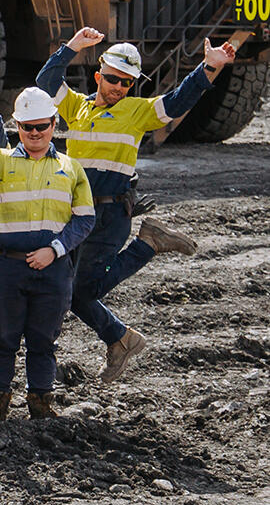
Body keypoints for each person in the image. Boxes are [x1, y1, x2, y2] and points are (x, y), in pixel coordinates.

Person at [36, 28, 229, 379]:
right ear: (98, 76)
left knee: (83, 291)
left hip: (110, 215)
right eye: (112, 79)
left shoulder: (137, 112)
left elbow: (178, 101)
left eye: (126, 83)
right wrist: (73, 47)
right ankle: (120, 338)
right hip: (75, 214)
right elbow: (45, 81)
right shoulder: (75, 106)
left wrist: (208, 69)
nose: (117, 88)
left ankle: (147, 246)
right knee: (70, 294)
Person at [0, 70, 96, 420]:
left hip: (52, 268)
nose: (34, 134)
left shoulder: (71, 168)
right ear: (16, 125)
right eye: (27, 127)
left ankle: (40, 407)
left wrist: (56, 250)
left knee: (43, 341)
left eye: (41, 126)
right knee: (1, 340)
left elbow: (85, 218)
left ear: (53, 123)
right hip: (4, 266)